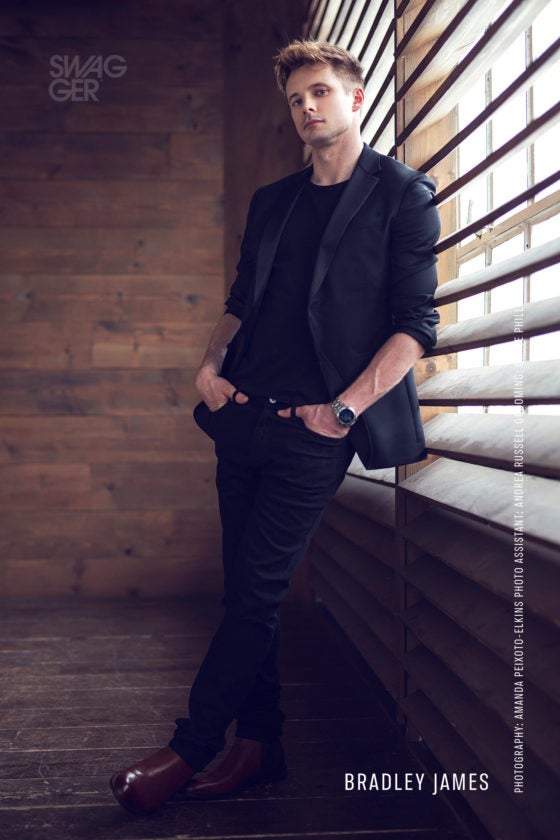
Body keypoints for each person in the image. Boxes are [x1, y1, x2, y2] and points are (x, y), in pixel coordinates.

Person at [110, 38, 440, 815]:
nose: (307, 107)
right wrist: (209, 364)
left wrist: (345, 410)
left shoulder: (402, 195)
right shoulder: (273, 201)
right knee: (244, 595)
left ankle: (191, 746)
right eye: (296, 99)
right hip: (242, 418)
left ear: (355, 98)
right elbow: (240, 301)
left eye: (320, 92)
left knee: (256, 591)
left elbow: (416, 326)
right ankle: (259, 744)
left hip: (313, 433)